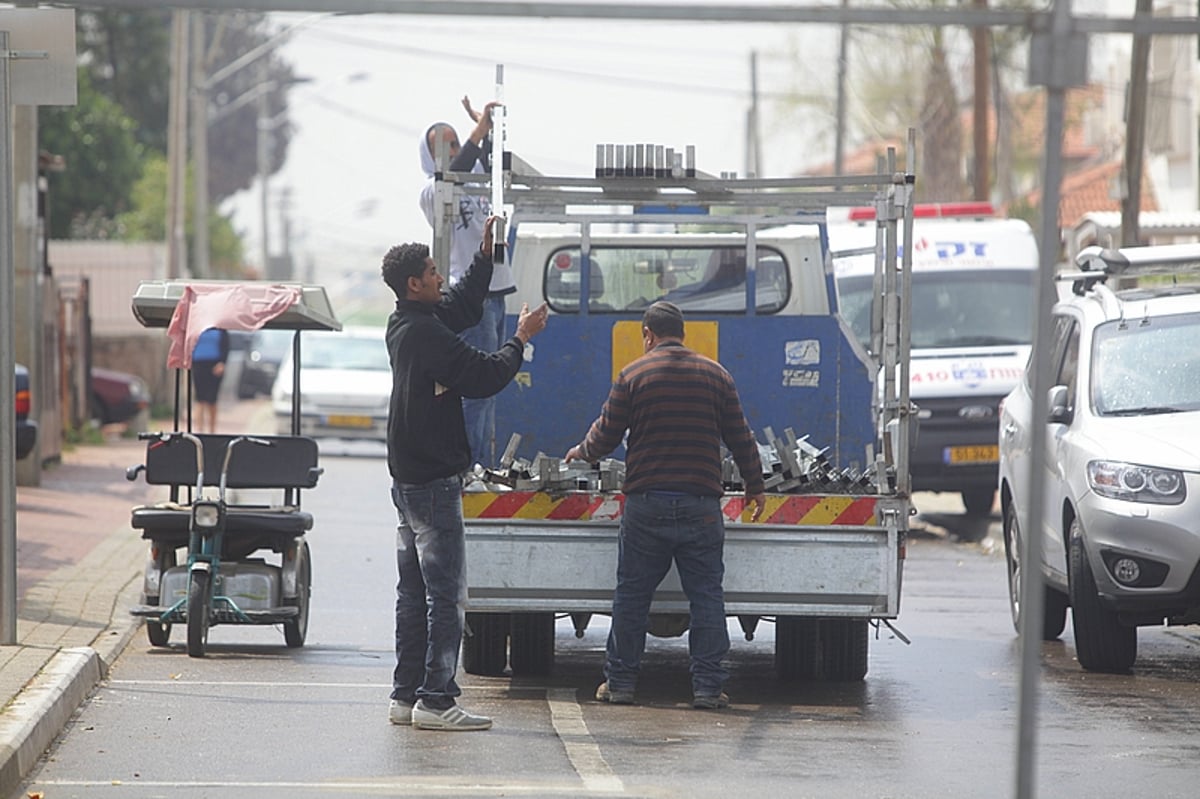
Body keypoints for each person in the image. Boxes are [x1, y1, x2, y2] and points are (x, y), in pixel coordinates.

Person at [381, 216, 548, 732]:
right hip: (431, 484)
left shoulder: (405, 323)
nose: (439, 278)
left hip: (407, 481)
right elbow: (484, 375)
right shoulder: (427, 337)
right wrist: (520, 338)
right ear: (415, 284)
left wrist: (485, 255)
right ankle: (437, 700)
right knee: (447, 596)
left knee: (412, 595)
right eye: (433, 272)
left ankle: (405, 696)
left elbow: (459, 306)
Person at [565, 300, 766, 709]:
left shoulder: (633, 374)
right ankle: (708, 689)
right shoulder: (716, 375)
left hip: (647, 506)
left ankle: (620, 685)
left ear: (647, 335)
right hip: (700, 505)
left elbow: (604, 436)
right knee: (707, 596)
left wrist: (580, 452)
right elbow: (741, 437)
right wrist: (754, 486)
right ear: (682, 333)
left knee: (632, 596)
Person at [418, 96, 516, 469]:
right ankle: (470, 466)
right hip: (470, 297)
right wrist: (479, 130)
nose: (455, 151)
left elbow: (496, 167)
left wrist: (490, 133)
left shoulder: (476, 186)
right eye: (443, 146)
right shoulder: (433, 192)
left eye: (457, 142)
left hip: (496, 292)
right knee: (476, 389)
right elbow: (452, 174)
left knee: (490, 389)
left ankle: (481, 464)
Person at [190, 326, 229, 433]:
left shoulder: (220, 329)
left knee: (212, 398)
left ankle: (212, 429)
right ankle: (199, 428)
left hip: (215, 364)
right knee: (199, 397)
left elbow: (226, 346)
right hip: (198, 363)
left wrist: (222, 362)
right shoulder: (197, 326)